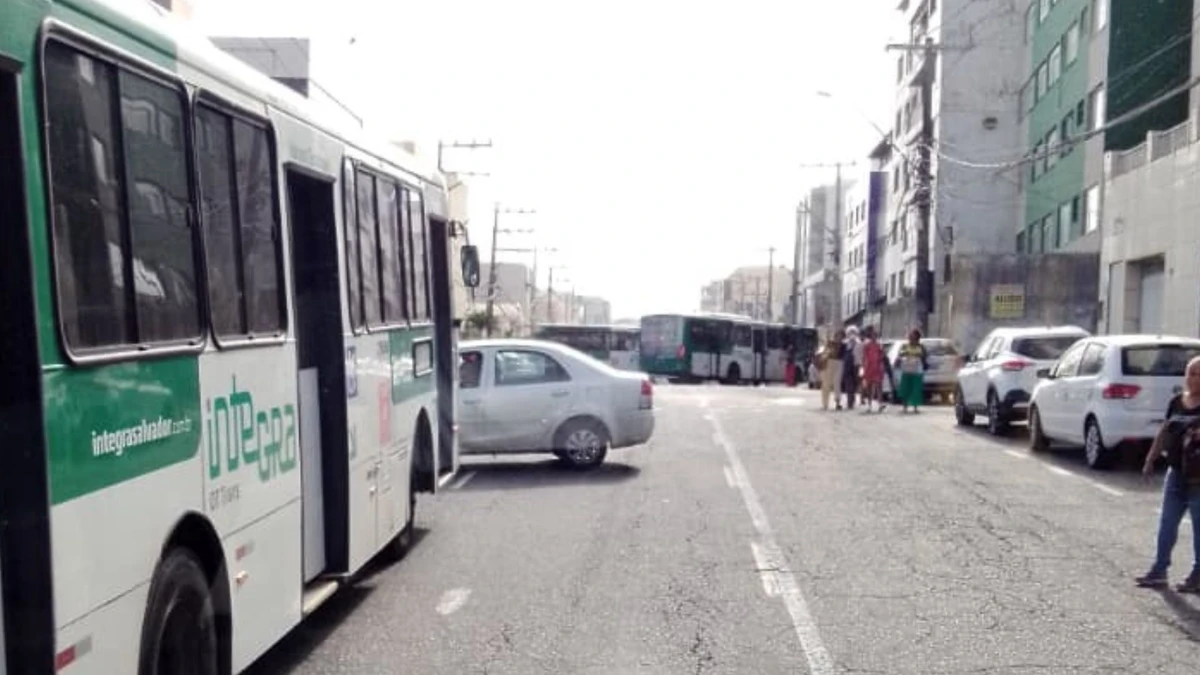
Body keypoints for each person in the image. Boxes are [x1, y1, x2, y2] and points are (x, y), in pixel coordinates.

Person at [1135, 356, 1200, 593]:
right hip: (1176, 473)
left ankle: (1197, 575)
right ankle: (1159, 571)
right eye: (1189, 373)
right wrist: (1151, 458)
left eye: (1197, 374)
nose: (1192, 378)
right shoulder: (1177, 402)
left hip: (1198, 478)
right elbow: (1164, 431)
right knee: (1167, 524)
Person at [894, 328, 928, 414]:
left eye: (912, 335)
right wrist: (901, 357)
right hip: (906, 369)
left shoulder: (921, 346)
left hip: (917, 371)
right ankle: (905, 407)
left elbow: (924, 356)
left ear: (917, 337)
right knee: (905, 388)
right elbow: (900, 355)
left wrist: (919, 356)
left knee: (916, 389)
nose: (910, 337)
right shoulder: (905, 346)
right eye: (910, 336)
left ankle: (915, 407)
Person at [860, 326, 886, 413]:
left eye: (875, 335)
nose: (874, 336)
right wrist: (864, 366)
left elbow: (882, 355)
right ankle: (869, 405)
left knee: (879, 386)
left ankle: (880, 404)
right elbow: (864, 357)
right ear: (870, 336)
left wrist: (880, 360)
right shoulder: (867, 345)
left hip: (877, 367)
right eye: (873, 335)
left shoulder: (879, 345)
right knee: (869, 387)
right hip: (869, 367)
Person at [820, 330, 846, 411]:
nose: (839, 338)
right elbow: (824, 351)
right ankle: (825, 404)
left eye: (841, 336)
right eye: (838, 336)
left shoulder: (844, 345)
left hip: (839, 363)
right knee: (826, 383)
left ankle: (838, 402)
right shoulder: (830, 343)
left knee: (837, 382)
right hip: (829, 362)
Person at [842, 327, 861, 411]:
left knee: (855, 382)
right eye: (850, 332)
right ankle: (850, 400)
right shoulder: (845, 343)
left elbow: (860, 354)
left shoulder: (859, 343)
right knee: (848, 383)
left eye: (853, 332)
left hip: (856, 365)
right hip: (847, 365)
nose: (852, 334)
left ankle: (852, 399)